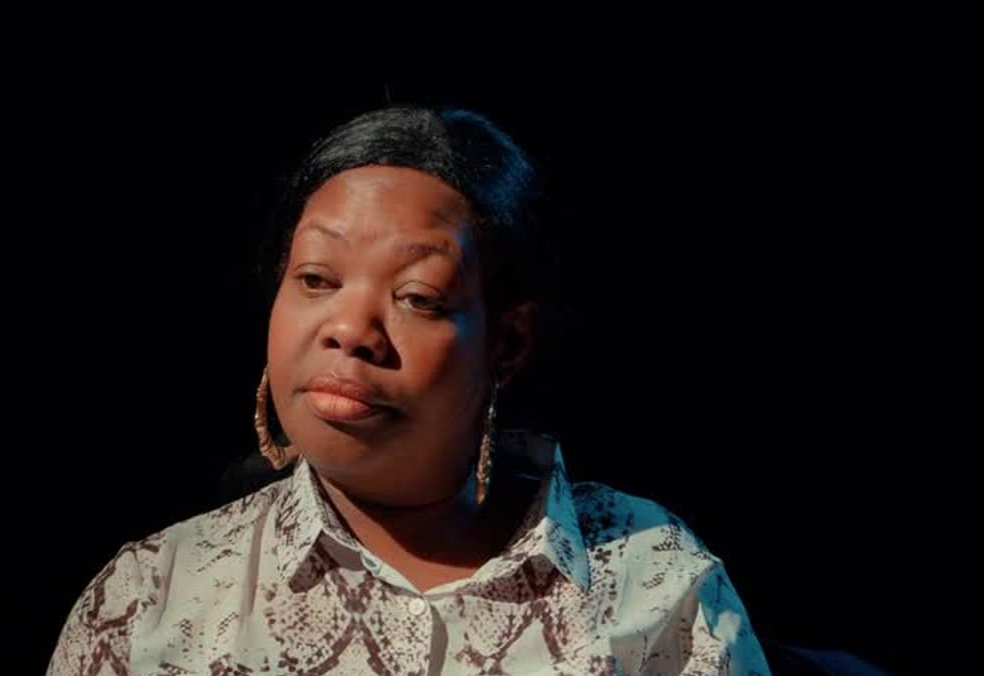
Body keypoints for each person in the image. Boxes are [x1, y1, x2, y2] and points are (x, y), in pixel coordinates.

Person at [47, 106, 769, 674]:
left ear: (507, 344)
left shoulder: (652, 579)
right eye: (316, 279)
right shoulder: (152, 599)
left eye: (417, 297)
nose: (350, 329)